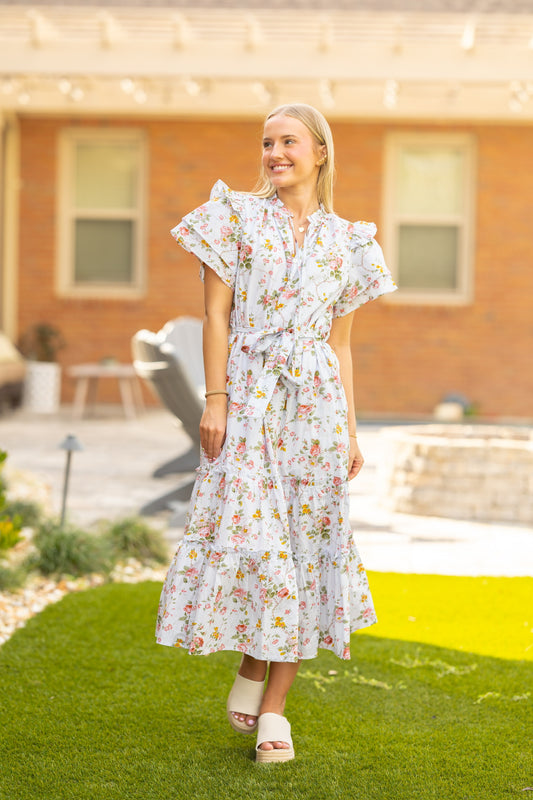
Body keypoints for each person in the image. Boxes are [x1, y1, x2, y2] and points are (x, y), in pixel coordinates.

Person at [156, 103, 397, 763]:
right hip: (251, 398)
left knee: (305, 546)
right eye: (266, 143)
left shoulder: (349, 241)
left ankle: (273, 709)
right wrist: (216, 401)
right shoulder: (232, 216)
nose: (274, 153)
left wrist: (349, 429)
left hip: (315, 407)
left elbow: (340, 346)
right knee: (255, 538)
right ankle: (253, 661)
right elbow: (214, 316)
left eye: (287, 141)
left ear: (318, 151)